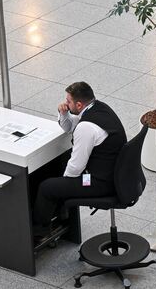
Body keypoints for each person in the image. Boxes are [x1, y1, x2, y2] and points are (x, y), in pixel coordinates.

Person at [33, 81, 127, 235]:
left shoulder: (86, 127)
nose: (65, 103)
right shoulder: (98, 108)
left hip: (100, 182)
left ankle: (39, 232)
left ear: (78, 105)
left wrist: (63, 184)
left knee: (47, 187)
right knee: (61, 171)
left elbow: (76, 168)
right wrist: (64, 114)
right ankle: (61, 214)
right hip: (113, 174)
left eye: (68, 101)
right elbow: (69, 127)